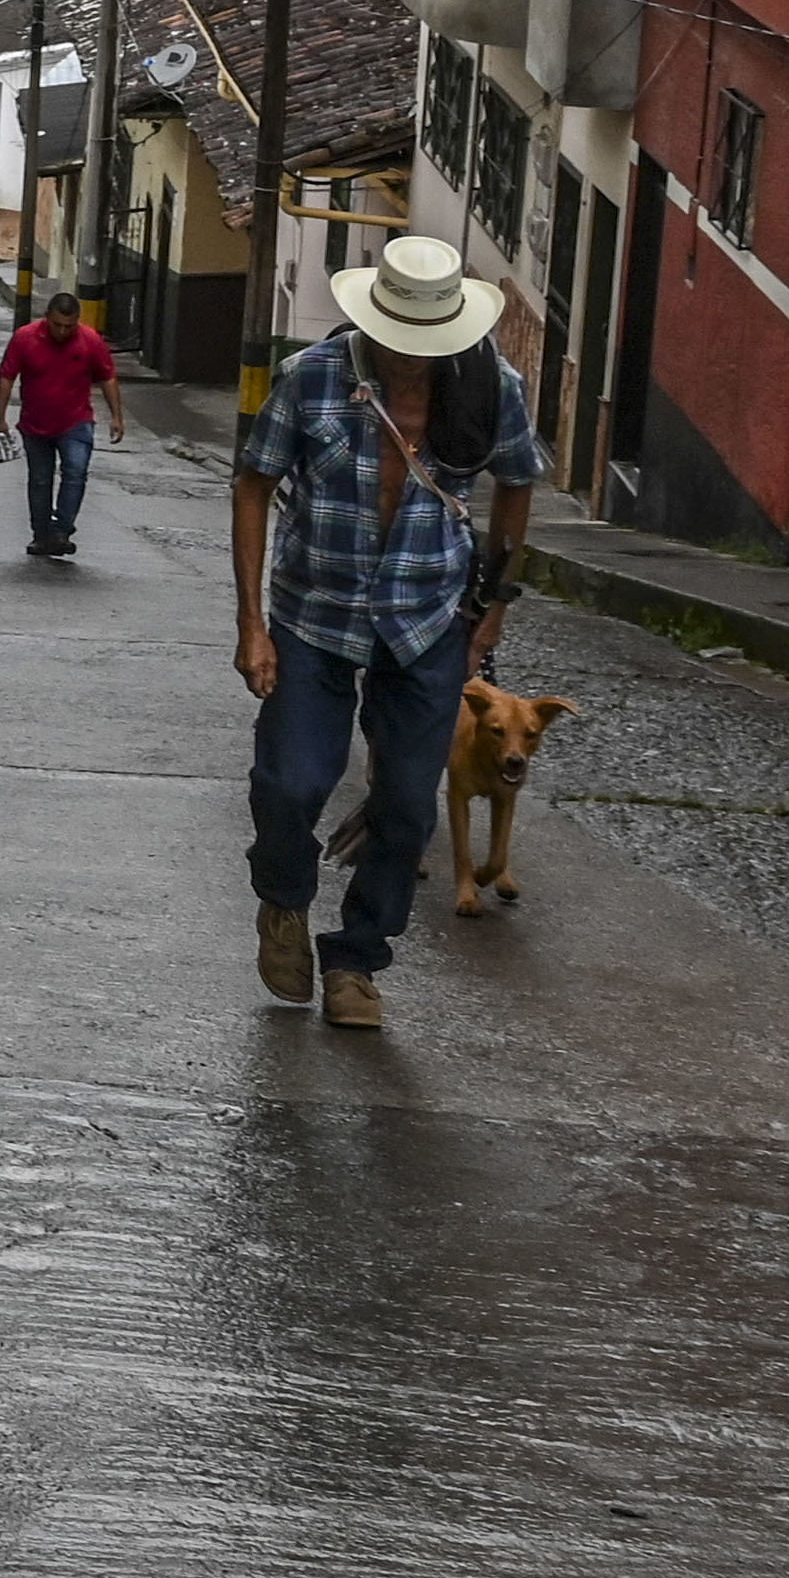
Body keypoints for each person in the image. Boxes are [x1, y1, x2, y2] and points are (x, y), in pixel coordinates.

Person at [228, 234, 543, 1030]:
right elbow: (251, 483)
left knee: (407, 806)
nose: (409, 358)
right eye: (396, 340)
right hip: (314, 613)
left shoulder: (487, 386)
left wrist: (491, 611)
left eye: (423, 344)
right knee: (289, 782)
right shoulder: (312, 378)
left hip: (428, 621)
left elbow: (516, 484)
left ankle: (356, 958)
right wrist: (250, 624)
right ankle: (283, 898)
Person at [0, 285, 125, 556]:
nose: (62, 331)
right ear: (46, 317)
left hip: (76, 421)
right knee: (40, 480)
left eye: (69, 325)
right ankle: (41, 535)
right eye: (57, 325)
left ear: (77, 320)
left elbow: (107, 377)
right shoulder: (25, 338)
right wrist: (0, 419)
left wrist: (117, 416)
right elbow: (7, 377)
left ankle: (61, 530)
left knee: (75, 472)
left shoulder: (90, 340)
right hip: (35, 423)